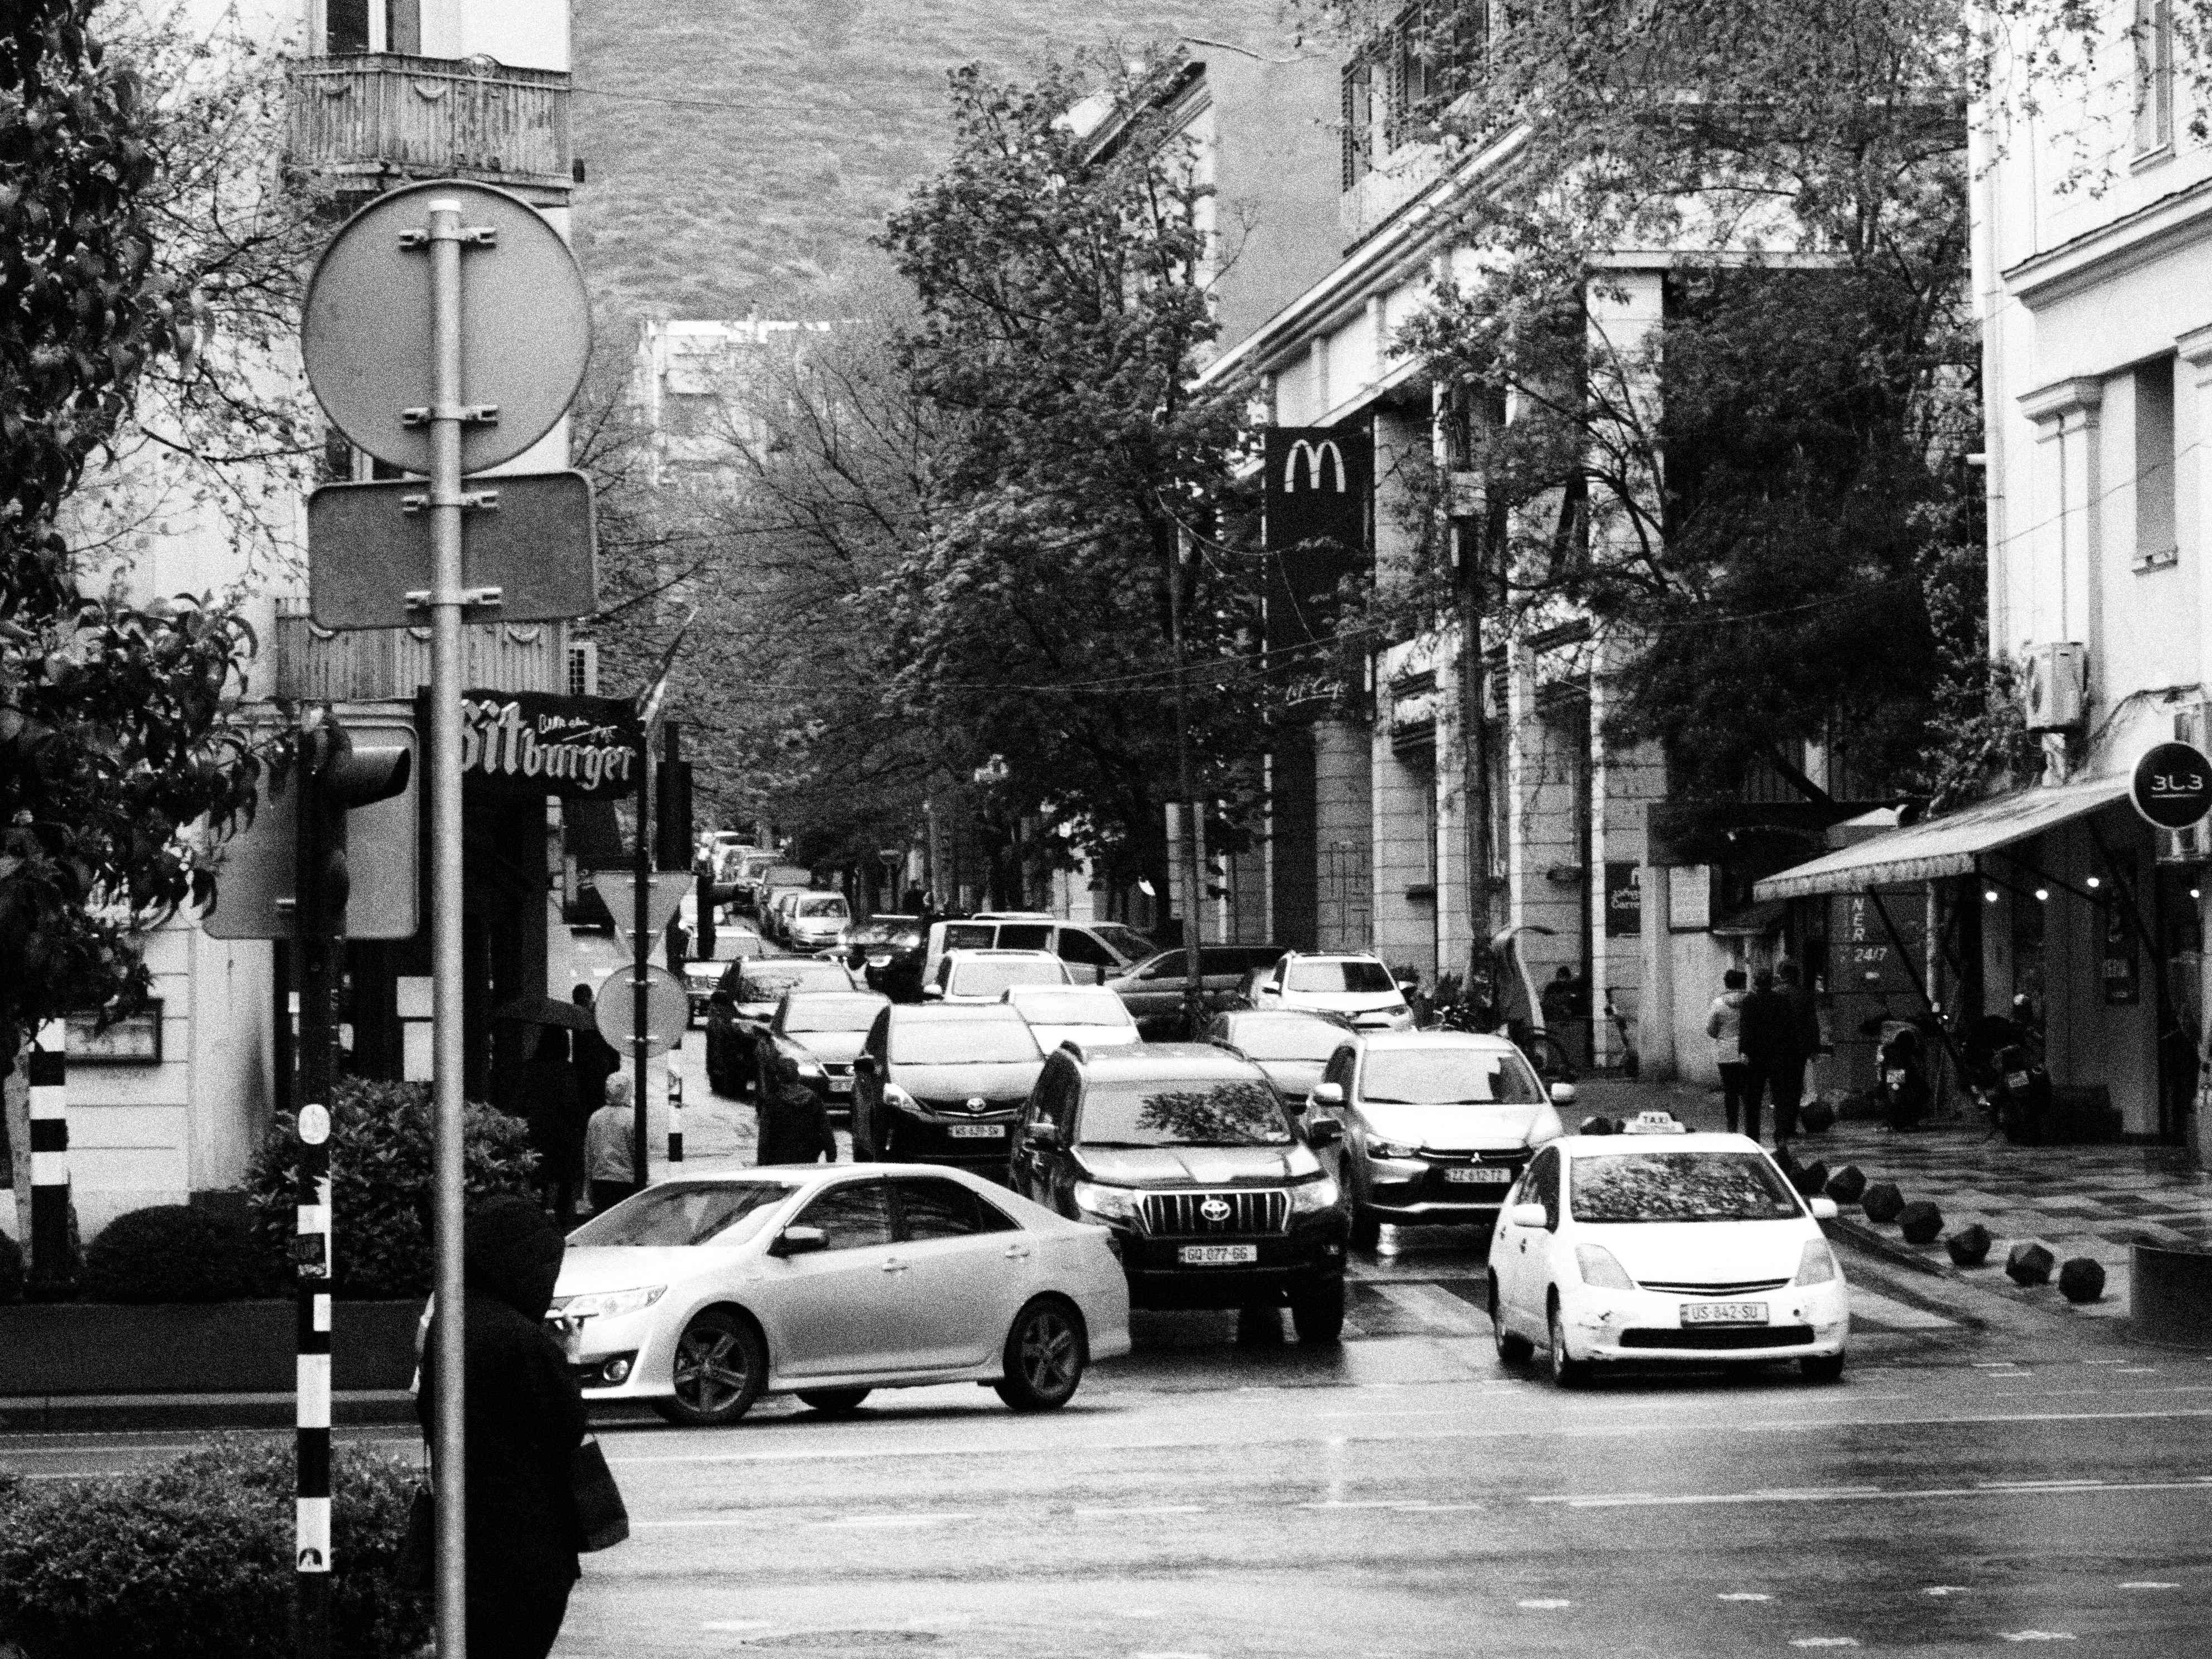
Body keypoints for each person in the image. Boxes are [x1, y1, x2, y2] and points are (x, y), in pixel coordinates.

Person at [418, 1195, 585, 1659]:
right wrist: (567, 1358)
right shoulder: (522, 1340)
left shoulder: (448, 1324)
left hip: (462, 1540)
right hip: (525, 1544)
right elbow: (568, 1427)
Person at [515, 1026, 584, 1229]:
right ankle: (564, 1228)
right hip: (563, 1137)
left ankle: (536, 1225)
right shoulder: (567, 1071)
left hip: (536, 1133)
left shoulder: (528, 1069)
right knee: (565, 1187)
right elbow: (573, 1106)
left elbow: (520, 1102)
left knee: (538, 1183)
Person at [1735, 968, 1790, 1146]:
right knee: (1780, 1097)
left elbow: (1745, 1029)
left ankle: (1753, 1135)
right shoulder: (1780, 1001)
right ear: (1771, 983)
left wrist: (1744, 1051)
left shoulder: (1750, 1001)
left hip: (1755, 1055)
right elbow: (1787, 1027)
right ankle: (1781, 1134)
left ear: (1756, 983)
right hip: (1778, 1055)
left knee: (1753, 1098)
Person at [1772, 961, 1823, 1142]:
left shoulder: (1775, 994)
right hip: (1798, 1049)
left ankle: (1781, 1126)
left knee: (1779, 1088)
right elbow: (1812, 1024)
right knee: (1795, 1087)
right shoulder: (1804, 995)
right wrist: (1814, 1048)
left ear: (1781, 975)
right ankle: (1791, 1125)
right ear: (1796, 976)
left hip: (1778, 1049)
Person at [757, 1054, 837, 1166]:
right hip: (808, 1159)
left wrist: (761, 1165)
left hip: (778, 1162)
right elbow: (826, 1130)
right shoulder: (814, 1099)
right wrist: (831, 1156)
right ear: (798, 1076)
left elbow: (764, 1138)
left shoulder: (772, 1102)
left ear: (778, 1078)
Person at [585, 1075, 638, 1215]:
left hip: (600, 1181)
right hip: (626, 1181)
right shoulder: (633, 1118)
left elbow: (589, 1154)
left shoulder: (595, 1117)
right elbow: (637, 1152)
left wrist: (588, 1187)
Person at [1706, 968, 1751, 1134]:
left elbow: (1711, 1030)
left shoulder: (1718, 1003)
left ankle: (1732, 1127)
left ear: (1726, 983)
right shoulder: (1750, 1000)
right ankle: (1749, 1126)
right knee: (1748, 1090)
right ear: (1743, 983)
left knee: (1730, 1090)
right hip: (1747, 1052)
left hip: (1725, 1052)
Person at [570, 985, 621, 1117]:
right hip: (592, 1072)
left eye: (582, 1002)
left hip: (599, 1071)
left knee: (597, 1109)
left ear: (590, 999)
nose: (581, 1006)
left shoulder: (599, 1016)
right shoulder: (584, 1016)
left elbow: (612, 1046)